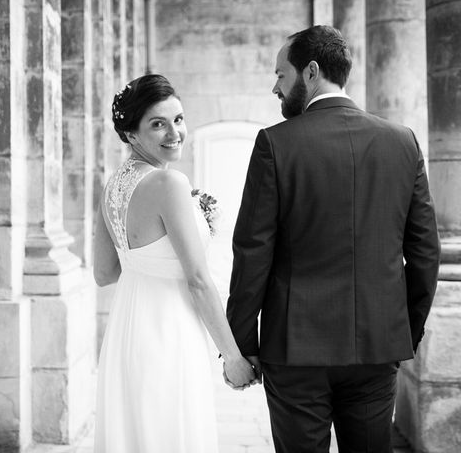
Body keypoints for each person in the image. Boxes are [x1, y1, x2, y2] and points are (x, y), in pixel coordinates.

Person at [227, 25, 441, 453]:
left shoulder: (275, 143)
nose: (275, 86)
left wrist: (243, 346)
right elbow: (425, 252)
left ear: (310, 72)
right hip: (378, 346)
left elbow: (252, 253)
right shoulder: (403, 142)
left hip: (295, 349)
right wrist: (403, 332)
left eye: (280, 75)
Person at [93, 74, 256, 452]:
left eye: (178, 119)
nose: (174, 132)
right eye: (158, 124)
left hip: (125, 333)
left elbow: (104, 273)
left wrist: (148, 259)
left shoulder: (113, 185)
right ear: (131, 134)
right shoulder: (170, 185)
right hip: (168, 333)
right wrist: (232, 357)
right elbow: (197, 280)